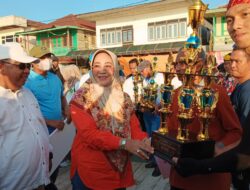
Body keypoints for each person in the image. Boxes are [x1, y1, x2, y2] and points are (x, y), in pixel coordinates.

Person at [70, 49, 153, 190]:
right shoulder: (81, 98)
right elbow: (91, 135)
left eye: (107, 65)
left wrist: (143, 141)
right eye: (97, 65)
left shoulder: (124, 97)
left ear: (114, 68)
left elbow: (134, 126)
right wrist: (125, 143)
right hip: (92, 171)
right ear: (91, 68)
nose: (102, 70)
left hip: (119, 171)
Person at [167, 48, 242, 190]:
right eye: (176, 63)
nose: (177, 68)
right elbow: (170, 132)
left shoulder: (216, 93)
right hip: (180, 178)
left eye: (182, 63)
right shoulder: (174, 94)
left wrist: (217, 148)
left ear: (198, 64)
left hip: (210, 180)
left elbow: (235, 132)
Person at [0, 42, 52, 190]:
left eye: (28, 66)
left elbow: (38, 126)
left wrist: (49, 150)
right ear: (1, 66)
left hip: (41, 180)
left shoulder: (27, 93)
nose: (27, 71)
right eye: (21, 66)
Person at [25, 45, 70, 190]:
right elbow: (27, 113)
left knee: (54, 164)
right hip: (41, 132)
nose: (47, 60)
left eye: (48, 56)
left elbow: (61, 96)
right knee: (43, 168)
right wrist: (50, 122)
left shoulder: (54, 78)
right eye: (42, 57)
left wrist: (67, 108)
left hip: (58, 130)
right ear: (33, 61)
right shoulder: (27, 82)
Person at [138, 60, 164, 177]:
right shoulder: (144, 79)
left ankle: (160, 166)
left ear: (148, 68)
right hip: (147, 112)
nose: (141, 74)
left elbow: (160, 94)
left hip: (156, 112)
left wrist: (157, 105)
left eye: (142, 71)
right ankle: (153, 160)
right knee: (149, 137)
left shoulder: (159, 76)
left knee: (156, 138)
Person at [123, 58, 146, 131]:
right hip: (133, 109)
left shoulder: (144, 79)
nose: (133, 70)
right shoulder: (127, 81)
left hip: (143, 108)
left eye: (134, 68)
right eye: (131, 68)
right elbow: (125, 95)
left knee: (144, 126)